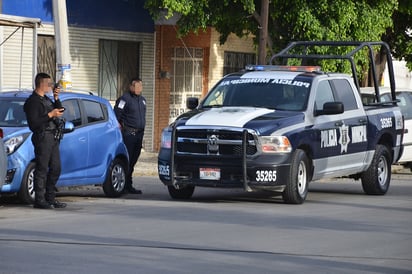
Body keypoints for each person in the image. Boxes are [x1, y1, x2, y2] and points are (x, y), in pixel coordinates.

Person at [24, 72, 67, 209]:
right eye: (48, 84)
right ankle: (40, 200)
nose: (50, 86)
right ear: (41, 84)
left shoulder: (47, 99)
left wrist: (56, 98)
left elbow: (59, 110)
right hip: (42, 136)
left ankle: (50, 198)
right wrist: (50, 114)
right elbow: (34, 123)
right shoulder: (33, 102)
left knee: (56, 168)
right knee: (41, 168)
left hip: (53, 136)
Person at [114, 78, 146, 194]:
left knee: (133, 160)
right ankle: (124, 185)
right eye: (136, 87)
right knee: (127, 159)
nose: (139, 89)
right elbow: (117, 116)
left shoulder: (142, 100)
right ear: (131, 87)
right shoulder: (124, 99)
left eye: (140, 87)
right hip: (129, 134)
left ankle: (128, 184)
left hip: (139, 134)